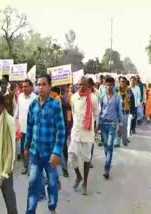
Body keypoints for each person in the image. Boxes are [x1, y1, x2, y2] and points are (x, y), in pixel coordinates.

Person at [24, 74, 66, 214]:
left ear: (49, 86)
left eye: (43, 84)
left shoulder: (55, 105)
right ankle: (30, 210)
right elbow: (30, 126)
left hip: (50, 153)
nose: (40, 87)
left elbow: (61, 131)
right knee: (33, 183)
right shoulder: (33, 105)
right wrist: (26, 146)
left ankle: (52, 207)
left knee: (52, 183)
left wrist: (57, 152)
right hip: (35, 152)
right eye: (39, 84)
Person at [68, 76, 99, 195]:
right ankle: (78, 176)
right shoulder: (74, 97)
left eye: (83, 84)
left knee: (86, 159)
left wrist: (95, 127)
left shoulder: (93, 98)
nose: (81, 86)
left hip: (87, 133)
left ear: (88, 85)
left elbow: (96, 114)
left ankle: (85, 183)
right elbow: (74, 112)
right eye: (79, 84)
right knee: (71, 157)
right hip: (76, 132)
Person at [100, 76, 123, 179]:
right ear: (105, 85)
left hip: (113, 124)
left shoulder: (117, 97)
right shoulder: (103, 96)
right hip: (103, 123)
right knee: (105, 145)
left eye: (110, 85)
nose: (108, 87)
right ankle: (108, 160)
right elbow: (100, 109)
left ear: (113, 85)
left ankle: (107, 168)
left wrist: (121, 126)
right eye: (107, 85)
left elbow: (120, 112)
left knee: (110, 145)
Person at [14, 79, 37, 175]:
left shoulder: (35, 98)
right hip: (22, 128)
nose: (24, 88)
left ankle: (32, 168)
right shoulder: (19, 97)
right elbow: (18, 110)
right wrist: (14, 120)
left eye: (26, 86)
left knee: (32, 149)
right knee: (24, 148)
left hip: (32, 129)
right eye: (23, 86)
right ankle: (25, 166)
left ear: (31, 87)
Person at [115, 77, 135, 147]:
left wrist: (132, 112)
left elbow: (131, 100)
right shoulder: (116, 89)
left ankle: (124, 140)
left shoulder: (129, 90)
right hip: (118, 112)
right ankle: (117, 142)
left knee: (124, 127)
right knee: (118, 127)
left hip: (125, 112)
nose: (122, 83)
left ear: (126, 82)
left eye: (123, 81)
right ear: (119, 82)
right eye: (121, 81)